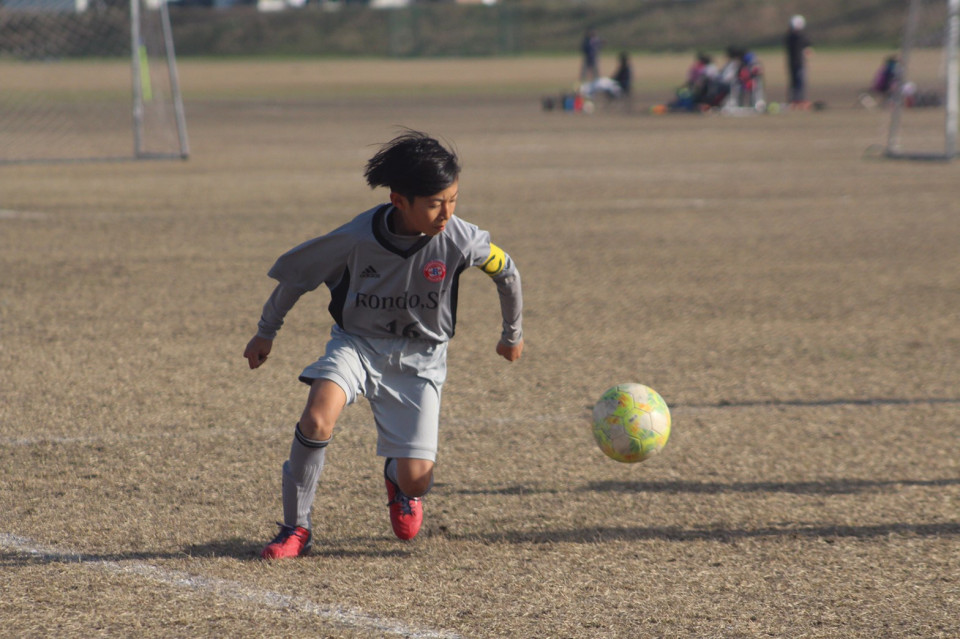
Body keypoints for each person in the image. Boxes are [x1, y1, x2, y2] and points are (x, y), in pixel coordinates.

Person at [245, 130, 524, 559]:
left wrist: (511, 335)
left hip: (421, 361)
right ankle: (295, 529)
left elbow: (507, 273)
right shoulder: (357, 237)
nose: (446, 212)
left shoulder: (461, 239)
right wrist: (266, 331)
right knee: (317, 417)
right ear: (399, 201)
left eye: (453, 199)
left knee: (419, 479)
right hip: (357, 345)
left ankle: (398, 480)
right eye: (434, 203)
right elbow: (296, 279)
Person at [785, 14, 812, 108]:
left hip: (797, 63)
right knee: (797, 82)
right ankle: (796, 100)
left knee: (798, 82)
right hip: (796, 63)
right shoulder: (795, 37)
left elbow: (808, 49)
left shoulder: (793, 37)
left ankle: (798, 100)